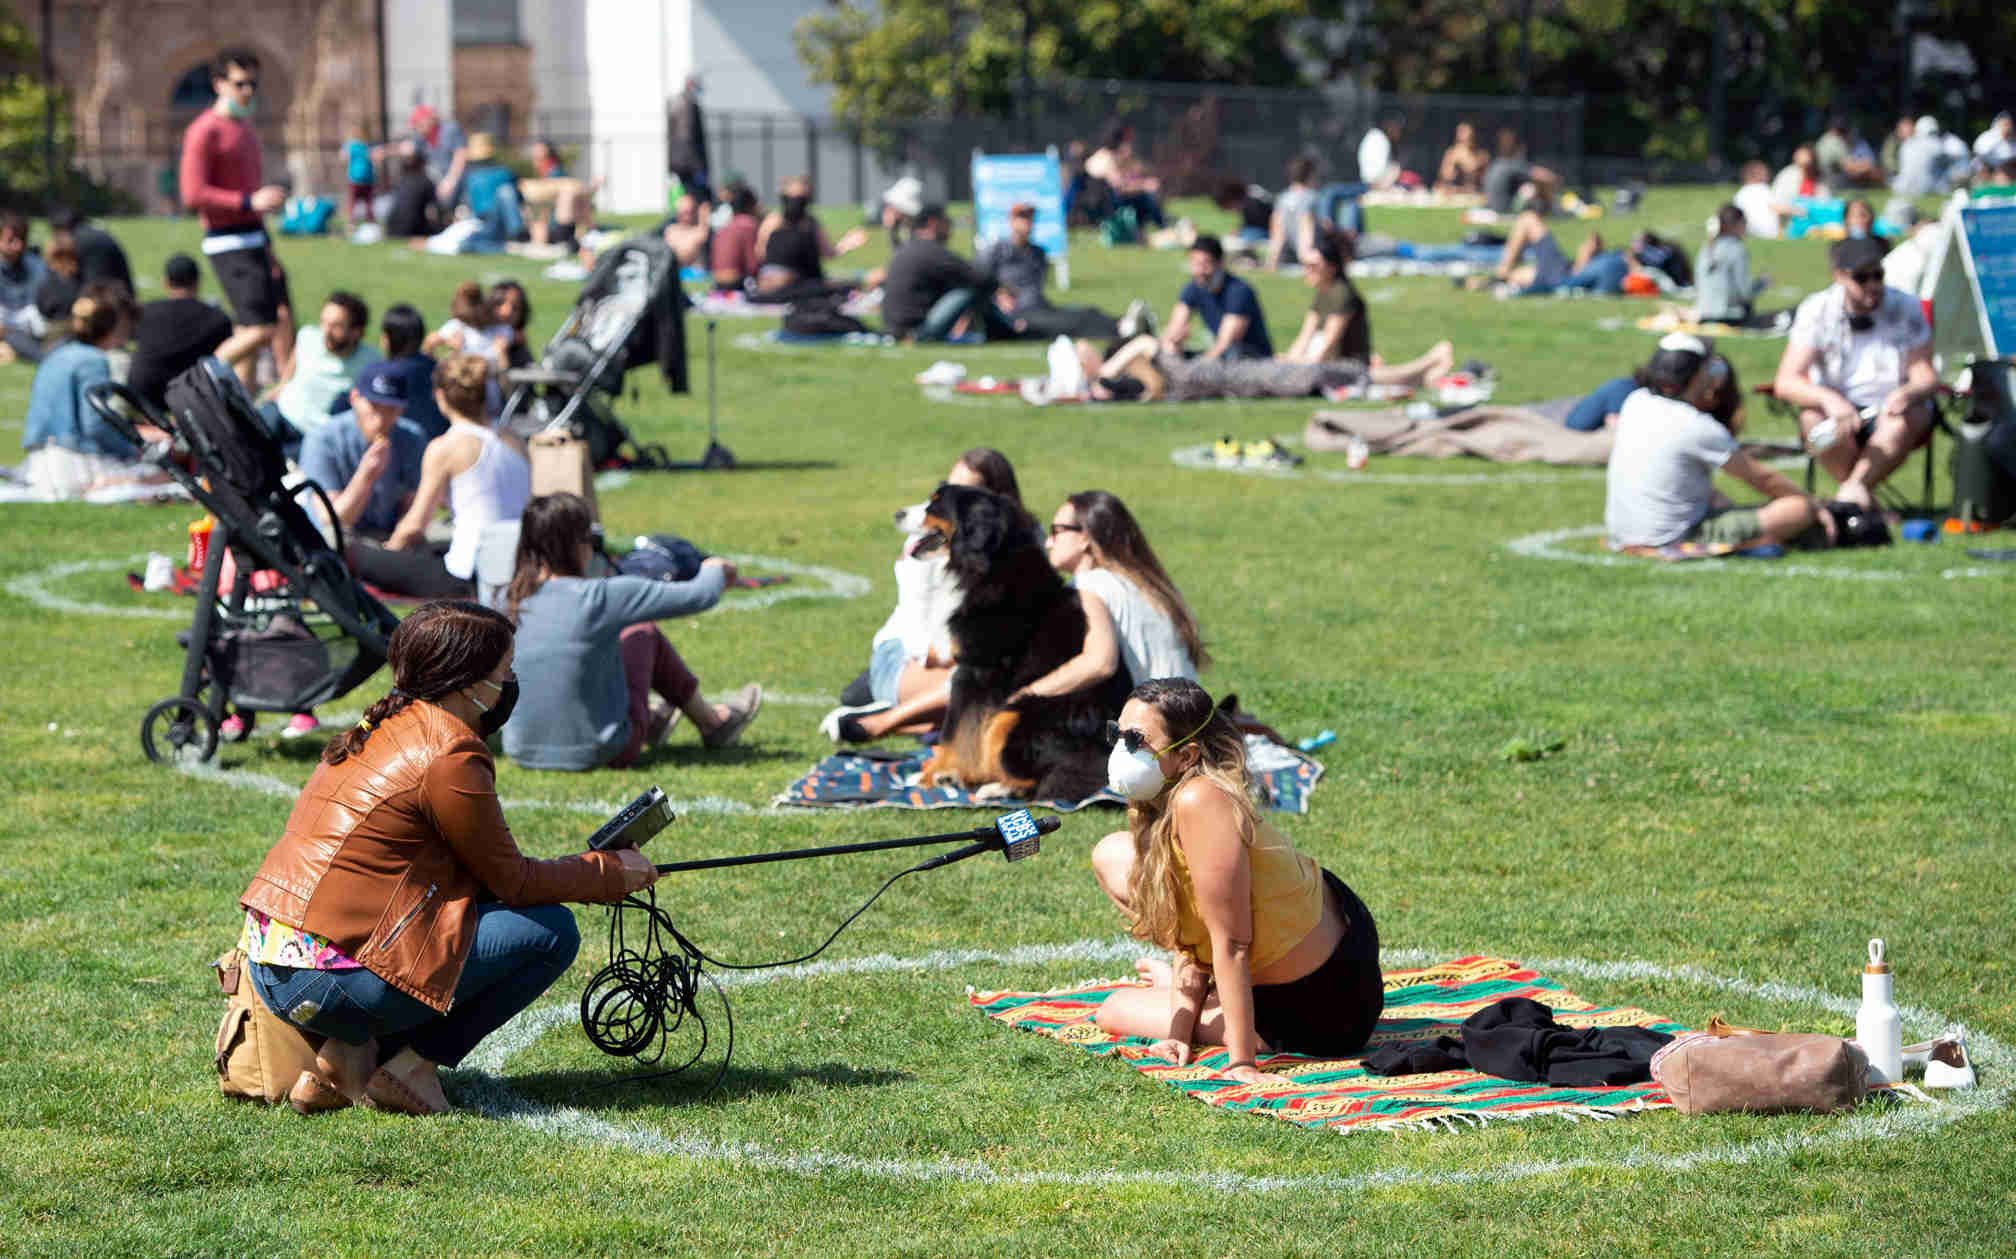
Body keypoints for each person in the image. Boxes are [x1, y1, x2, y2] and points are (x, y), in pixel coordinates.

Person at [236, 599, 658, 1115]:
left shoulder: (382, 724)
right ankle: (413, 1066)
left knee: (476, 916)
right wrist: (610, 873)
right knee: (549, 933)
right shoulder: (450, 751)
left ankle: (346, 1058)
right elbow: (514, 882)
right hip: (334, 979)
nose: (510, 682)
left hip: (272, 967)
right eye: (504, 671)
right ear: (466, 682)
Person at [1088, 677, 1383, 1076]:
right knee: (1112, 853)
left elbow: (1231, 942)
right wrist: (1178, 1031)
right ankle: (1198, 993)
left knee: (1114, 1009)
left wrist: (1241, 1062)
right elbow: (1194, 922)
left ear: (1187, 755)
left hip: (1323, 1006)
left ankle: (1214, 1003)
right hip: (1308, 952)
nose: (1123, 750)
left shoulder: (1200, 800)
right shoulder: (1165, 795)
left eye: (1136, 740)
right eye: (1117, 734)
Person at [502, 493, 761, 769]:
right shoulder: (601, 596)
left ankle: (656, 718)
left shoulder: (510, 601)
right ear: (580, 544)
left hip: (521, 749)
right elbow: (700, 595)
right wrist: (715, 568)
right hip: (602, 750)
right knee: (642, 631)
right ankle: (712, 722)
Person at [826, 449, 1024, 744]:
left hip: (965, 663)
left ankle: (908, 720)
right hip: (911, 657)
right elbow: (917, 638)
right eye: (947, 487)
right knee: (991, 692)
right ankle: (886, 719)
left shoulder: (1018, 542)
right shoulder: (927, 542)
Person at [1606, 335, 1831, 551]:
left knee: (1718, 498)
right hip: (1675, 537)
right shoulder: (1696, 425)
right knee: (1798, 510)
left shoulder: (1636, 401)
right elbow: (1764, 479)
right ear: (1696, 377)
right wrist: (1812, 504)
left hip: (1622, 534)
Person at [1772, 236, 1938, 508]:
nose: (1873, 285)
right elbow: (1786, 381)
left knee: (1902, 421)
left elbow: (1925, 375)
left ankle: (1851, 495)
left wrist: (1909, 392)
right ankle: (1862, 498)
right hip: (1837, 411)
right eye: (1862, 278)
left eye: (1878, 275)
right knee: (1812, 419)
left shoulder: (1906, 307)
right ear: (1839, 276)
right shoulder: (1818, 309)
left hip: (1890, 410)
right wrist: (1829, 400)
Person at [178, 47, 293, 388]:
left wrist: (262, 209)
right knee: (261, 328)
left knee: (252, 327)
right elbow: (192, 194)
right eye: (240, 84)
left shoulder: (244, 127)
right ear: (218, 84)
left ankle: (241, 404)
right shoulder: (204, 131)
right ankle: (193, 384)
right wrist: (248, 200)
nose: (248, 91)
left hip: (255, 235)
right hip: (228, 241)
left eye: (253, 84)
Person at [371, 354, 528, 598]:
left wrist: (387, 553)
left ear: (440, 395)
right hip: (519, 561)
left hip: (471, 572)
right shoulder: (515, 440)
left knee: (361, 555)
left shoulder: (446, 447)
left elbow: (415, 525)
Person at [19, 282, 166, 499]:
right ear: (118, 324)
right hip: (73, 464)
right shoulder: (94, 361)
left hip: (38, 463)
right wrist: (132, 448)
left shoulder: (56, 354)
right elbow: (94, 426)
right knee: (163, 477)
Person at [1281, 234, 1456, 384]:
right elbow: (1305, 335)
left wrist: (1304, 365)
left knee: (1388, 379)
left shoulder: (1342, 294)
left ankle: (1434, 357)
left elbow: (1329, 344)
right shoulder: (1322, 293)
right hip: (1333, 364)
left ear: (1331, 267)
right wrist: (1291, 359)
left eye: (1313, 266)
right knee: (1413, 380)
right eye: (1306, 265)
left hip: (1351, 366)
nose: (1307, 271)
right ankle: (1433, 366)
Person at [299, 361, 426, 544]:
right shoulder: (323, 440)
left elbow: (412, 508)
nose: (381, 419)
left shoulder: (412, 438)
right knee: (334, 539)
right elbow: (332, 519)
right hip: (338, 537)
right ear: (354, 398)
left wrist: (396, 546)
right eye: (374, 406)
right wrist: (366, 476)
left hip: (388, 536)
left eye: (391, 409)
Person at [258, 290, 379, 457]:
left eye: (336, 326)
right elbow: (293, 363)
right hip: (281, 412)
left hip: (313, 435)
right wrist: (281, 386)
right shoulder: (308, 336)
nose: (326, 331)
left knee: (273, 464)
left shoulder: (370, 361)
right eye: (324, 322)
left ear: (355, 332)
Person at [977, 202, 1121, 340]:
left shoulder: (1037, 253)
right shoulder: (997, 251)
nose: (1027, 222)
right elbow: (977, 282)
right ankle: (1119, 329)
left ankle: (1121, 323)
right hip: (1017, 314)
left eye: (1030, 217)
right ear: (1011, 221)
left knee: (1089, 312)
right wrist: (998, 296)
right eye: (1022, 217)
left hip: (1039, 306)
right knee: (1072, 323)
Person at [881, 205, 1014, 342]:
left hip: (895, 330)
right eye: (947, 222)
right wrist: (1002, 290)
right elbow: (977, 276)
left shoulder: (909, 248)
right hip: (917, 332)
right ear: (933, 223)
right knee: (972, 290)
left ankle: (1001, 330)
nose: (950, 229)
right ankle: (1005, 332)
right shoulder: (930, 251)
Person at [126, 253, 234, 410]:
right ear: (197, 282)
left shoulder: (145, 311)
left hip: (143, 391)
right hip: (189, 394)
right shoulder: (217, 318)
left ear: (166, 282)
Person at [1159, 236, 1272, 362]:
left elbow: (1226, 343)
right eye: (1195, 263)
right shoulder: (1194, 287)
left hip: (1252, 359)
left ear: (1220, 263)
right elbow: (1174, 327)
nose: (1199, 271)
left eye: (1205, 264)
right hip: (1222, 355)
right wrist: (1173, 342)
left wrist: (1198, 367)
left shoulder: (1239, 291)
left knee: (1229, 352)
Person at [754, 176, 868, 297]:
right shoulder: (809, 224)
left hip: (770, 284)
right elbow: (827, 253)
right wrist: (847, 244)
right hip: (799, 285)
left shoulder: (772, 221)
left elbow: (759, 252)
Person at [347, 303, 447, 441]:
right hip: (438, 443)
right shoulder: (440, 371)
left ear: (386, 339)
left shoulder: (377, 375)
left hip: (394, 444)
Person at [1693, 205, 1769, 327]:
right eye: (1745, 223)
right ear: (1737, 225)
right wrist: (1762, 283)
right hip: (1729, 317)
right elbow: (1745, 293)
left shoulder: (1706, 248)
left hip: (1704, 314)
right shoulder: (1737, 249)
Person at [1084, 123, 1166, 229]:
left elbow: (1135, 174)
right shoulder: (1106, 157)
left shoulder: (1113, 156)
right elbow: (1119, 187)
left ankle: (1159, 222)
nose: (1129, 143)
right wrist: (1144, 186)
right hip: (1103, 206)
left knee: (1147, 192)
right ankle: (1162, 224)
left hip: (1109, 200)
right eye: (1126, 140)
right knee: (1146, 196)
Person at [424, 281, 512, 374]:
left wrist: (501, 354)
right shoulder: (457, 326)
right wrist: (452, 353)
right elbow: (429, 344)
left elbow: (504, 370)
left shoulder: (501, 330)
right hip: (461, 382)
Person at [0, 212, 50, 363]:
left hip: (29, 324)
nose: (18, 246)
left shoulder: (35, 265)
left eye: (21, 240)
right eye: (10, 240)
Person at [1264, 157, 1319, 270]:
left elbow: (1277, 233)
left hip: (1287, 257)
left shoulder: (1282, 199)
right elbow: (1308, 227)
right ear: (1311, 175)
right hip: (1309, 255)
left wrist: (1271, 261)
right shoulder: (1313, 198)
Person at [708, 181, 761, 293]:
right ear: (750, 205)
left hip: (717, 282)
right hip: (736, 283)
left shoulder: (726, 226)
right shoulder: (748, 224)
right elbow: (752, 265)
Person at [667, 75, 711, 202]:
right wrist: (697, 166)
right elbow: (687, 138)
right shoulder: (688, 105)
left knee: (690, 194)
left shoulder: (675, 103)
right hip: (688, 163)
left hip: (680, 162)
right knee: (698, 197)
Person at [383, 147, 442, 240]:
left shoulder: (401, 180)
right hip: (410, 230)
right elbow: (436, 208)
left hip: (391, 229)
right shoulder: (426, 181)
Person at [1733, 160, 1798, 239]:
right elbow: (1776, 207)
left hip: (1748, 231)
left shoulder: (1740, 193)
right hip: (1768, 232)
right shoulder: (1762, 189)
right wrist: (1798, 211)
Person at [1816, 117, 1883, 188]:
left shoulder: (1824, 139)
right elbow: (1850, 168)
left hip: (1824, 180)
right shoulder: (1834, 141)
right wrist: (1869, 167)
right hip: (1831, 183)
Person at [1436, 122, 1489, 195]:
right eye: (1460, 133)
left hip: (1476, 193)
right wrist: (1453, 163)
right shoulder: (1451, 153)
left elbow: (1486, 178)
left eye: (1467, 134)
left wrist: (1470, 163)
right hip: (1456, 193)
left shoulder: (1482, 155)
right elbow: (1445, 176)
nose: (1463, 136)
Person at [342, 129, 378, 228]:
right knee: (357, 203)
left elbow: (344, 157)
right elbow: (344, 156)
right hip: (359, 179)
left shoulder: (365, 146)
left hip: (363, 179)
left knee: (365, 204)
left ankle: (367, 223)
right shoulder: (356, 146)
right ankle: (354, 223)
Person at [1973, 112, 2015, 177]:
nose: (2008, 127)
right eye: (2005, 124)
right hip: (1986, 169)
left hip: (2006, 171)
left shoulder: (2012, 139)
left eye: (2009, 124)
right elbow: (1980, 154)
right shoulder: (1987, 137)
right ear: (1998, 124)